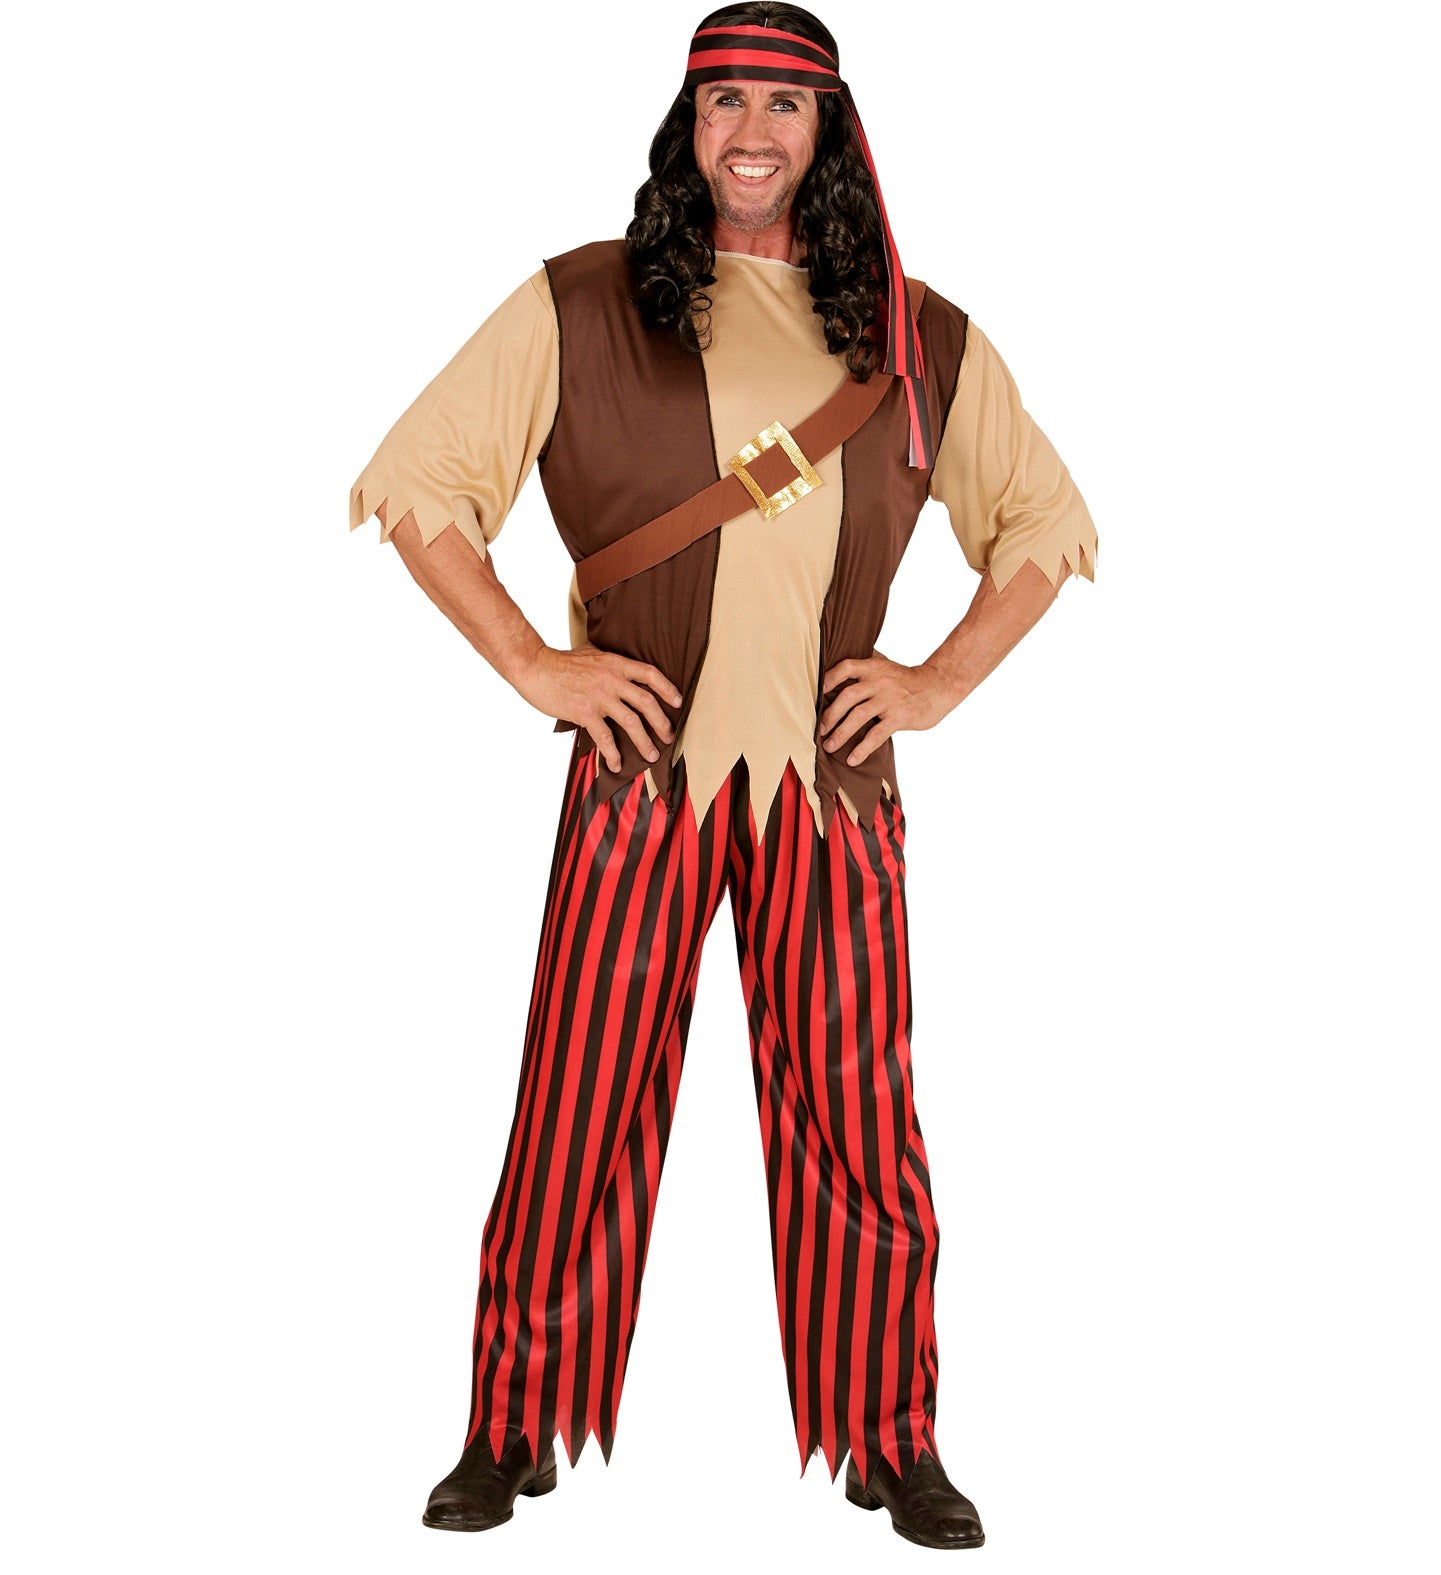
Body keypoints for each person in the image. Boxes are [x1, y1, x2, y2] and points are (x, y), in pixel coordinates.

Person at [348, 2, 1096, 1551]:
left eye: (781, 105)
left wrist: (936, 683)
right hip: (640, 774)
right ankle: (512, 1425)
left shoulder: (917, 338)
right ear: (687, 124)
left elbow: (1041, 523)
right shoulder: (580, 302)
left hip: (832, 785)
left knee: (855, 1113)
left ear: (830, 132)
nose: (750, 132)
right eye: (724, 101)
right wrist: (534, 666)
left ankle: (890, 1437)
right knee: (578, 1100)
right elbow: (419, 483)